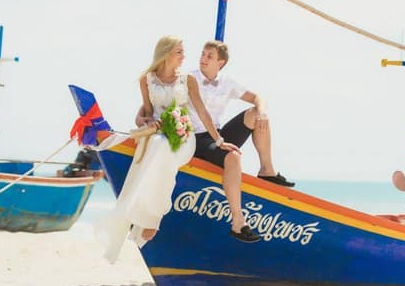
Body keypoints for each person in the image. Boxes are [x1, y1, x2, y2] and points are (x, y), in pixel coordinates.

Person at [98, 36, 252, 264]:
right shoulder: (146, 79)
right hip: (158, 135)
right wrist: (144, 121)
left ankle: (153, 218)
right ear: (167, 53)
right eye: (179, 52)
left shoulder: (188, 79)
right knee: (157, 145)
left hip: (183, 137)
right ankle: (140, 215)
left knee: (162, 149)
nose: (184, 56)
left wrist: (219, 140)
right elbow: (147, 112)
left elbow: (202, 112)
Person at [136, 40, 295, 188]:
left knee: (255, 114)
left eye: (209, 56)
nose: (203, 58)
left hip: (217, 135)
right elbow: (157, 101)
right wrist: (141, 119)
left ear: (220, 63)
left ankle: (267, 170)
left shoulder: (227, 82)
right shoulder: (187, 78)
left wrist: (262, 112)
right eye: (203, 54)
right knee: (223, 149)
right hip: (195, 137)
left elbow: (258, 98)